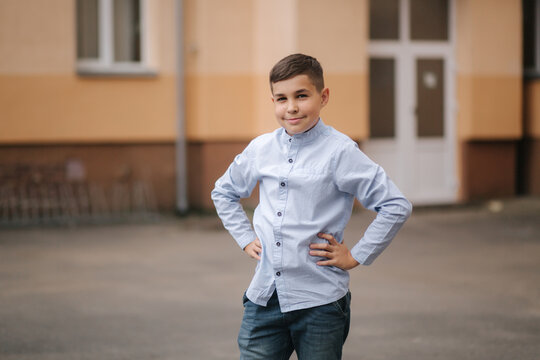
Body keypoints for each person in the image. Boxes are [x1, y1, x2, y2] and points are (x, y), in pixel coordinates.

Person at [211, 53, 412, 360]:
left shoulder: (341, 152)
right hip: (264, 299)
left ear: (323, 96)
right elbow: (223, 192)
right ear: (273, 101)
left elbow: (396, 205)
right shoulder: (261, 149)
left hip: (320, 303)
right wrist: (243, 237)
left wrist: (356, 254)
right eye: (281, 98)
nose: (291, 107)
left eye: (301, 96)